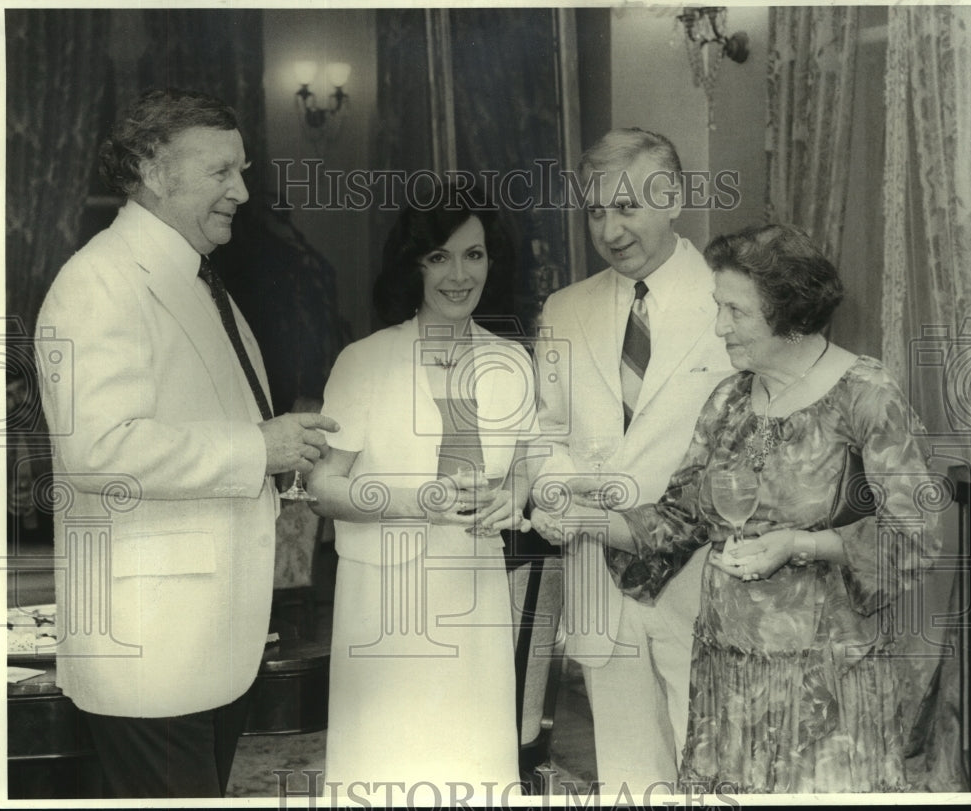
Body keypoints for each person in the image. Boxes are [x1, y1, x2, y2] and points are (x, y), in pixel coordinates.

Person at [534, 223, 936, 793]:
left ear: (790, 315)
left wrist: (801, 544)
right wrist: (587, 520)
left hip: (821, 681)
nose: (719, 326)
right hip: (728, 677)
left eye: (735, 312)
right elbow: (678, 520)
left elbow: (916, 535)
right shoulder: (728, 399)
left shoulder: (866, 394)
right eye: (717, 307)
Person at [34, 88, 338, 798]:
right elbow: (98, 450)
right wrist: (258, 449)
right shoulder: (100, 283)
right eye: (221, 171)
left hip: (201, 648)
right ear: (151, 167)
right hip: (148, 651)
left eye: (244, 170)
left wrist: (285, 454)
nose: (242, 190)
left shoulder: (198, 278)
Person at [307, 184, 534, 804]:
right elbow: (322, 487)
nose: (459, 275)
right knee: (387, 767)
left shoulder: (512, 363)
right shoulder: (365, 361)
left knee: (474, 768)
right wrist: (415, 502)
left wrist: (516, 492)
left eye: (474, 255)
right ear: (414, 265)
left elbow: (529, 462)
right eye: (439, 257)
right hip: (385, 600)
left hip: (475, 593)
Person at [530, 128, 733, 794]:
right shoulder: (565, 310)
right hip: (598, 583)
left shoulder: (731, 305)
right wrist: (561, 490)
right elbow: (542, 431)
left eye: (627, 207)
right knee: (627, 774)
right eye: (595, 211)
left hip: (702, 580)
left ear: (672, 197)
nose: (610, 230)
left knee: (714, 766)